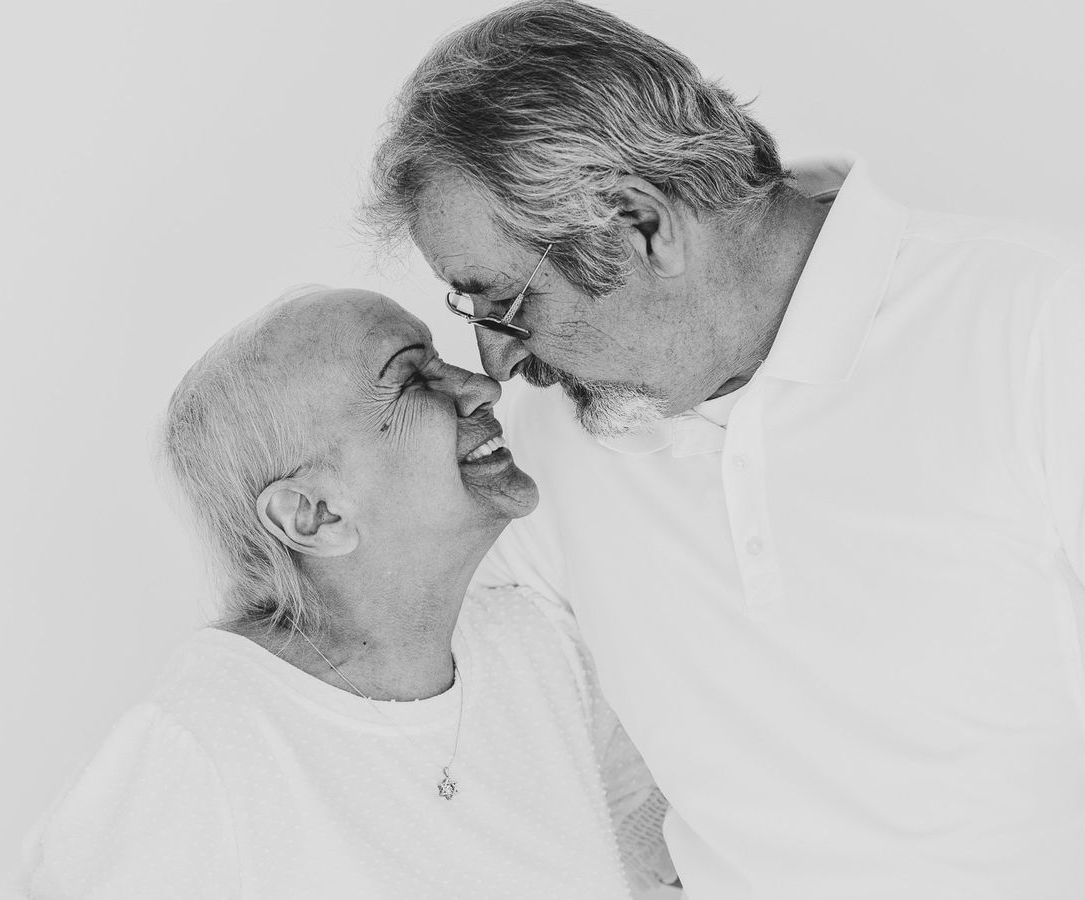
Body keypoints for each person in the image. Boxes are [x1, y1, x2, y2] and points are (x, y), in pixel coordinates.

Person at [364, 1, 1085, 897]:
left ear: (642, 224)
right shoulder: (558, 436)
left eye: (504, 301)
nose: (497, 361)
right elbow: (415, 672)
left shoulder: (1042, 327)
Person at [2, 287, 676, 899]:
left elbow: (670, 855)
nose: (482, 386)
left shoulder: (540, 648)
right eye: (412, 378)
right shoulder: (198, 746)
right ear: (314, 516)